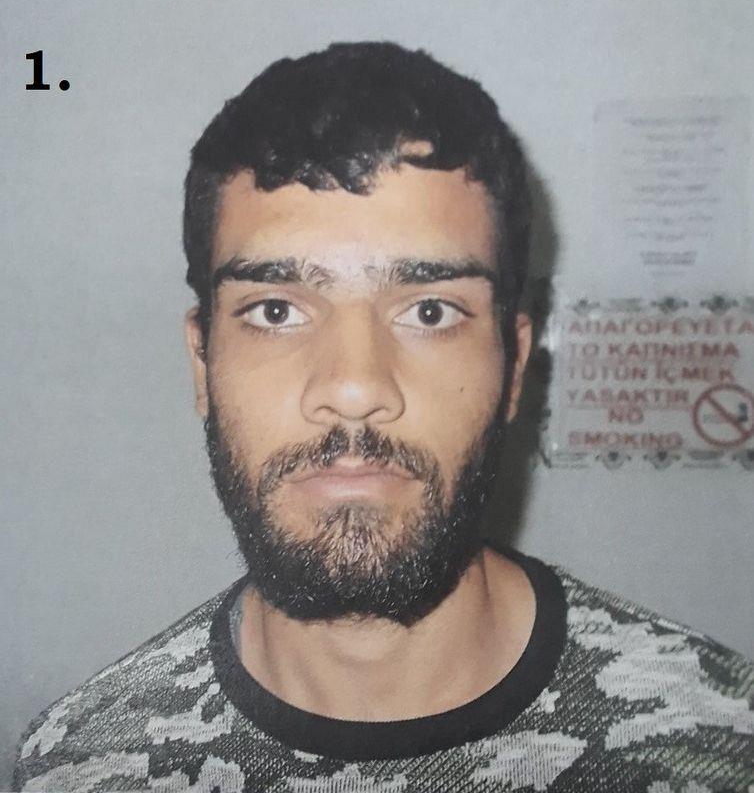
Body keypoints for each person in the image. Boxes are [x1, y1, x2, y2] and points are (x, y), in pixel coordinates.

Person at [14, 42, 753, 793]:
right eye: (275, 311)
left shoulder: (722, 743)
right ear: (203, 363)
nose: (354, 387)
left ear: (514, 365)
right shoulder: (80, 767)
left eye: (430, 311)